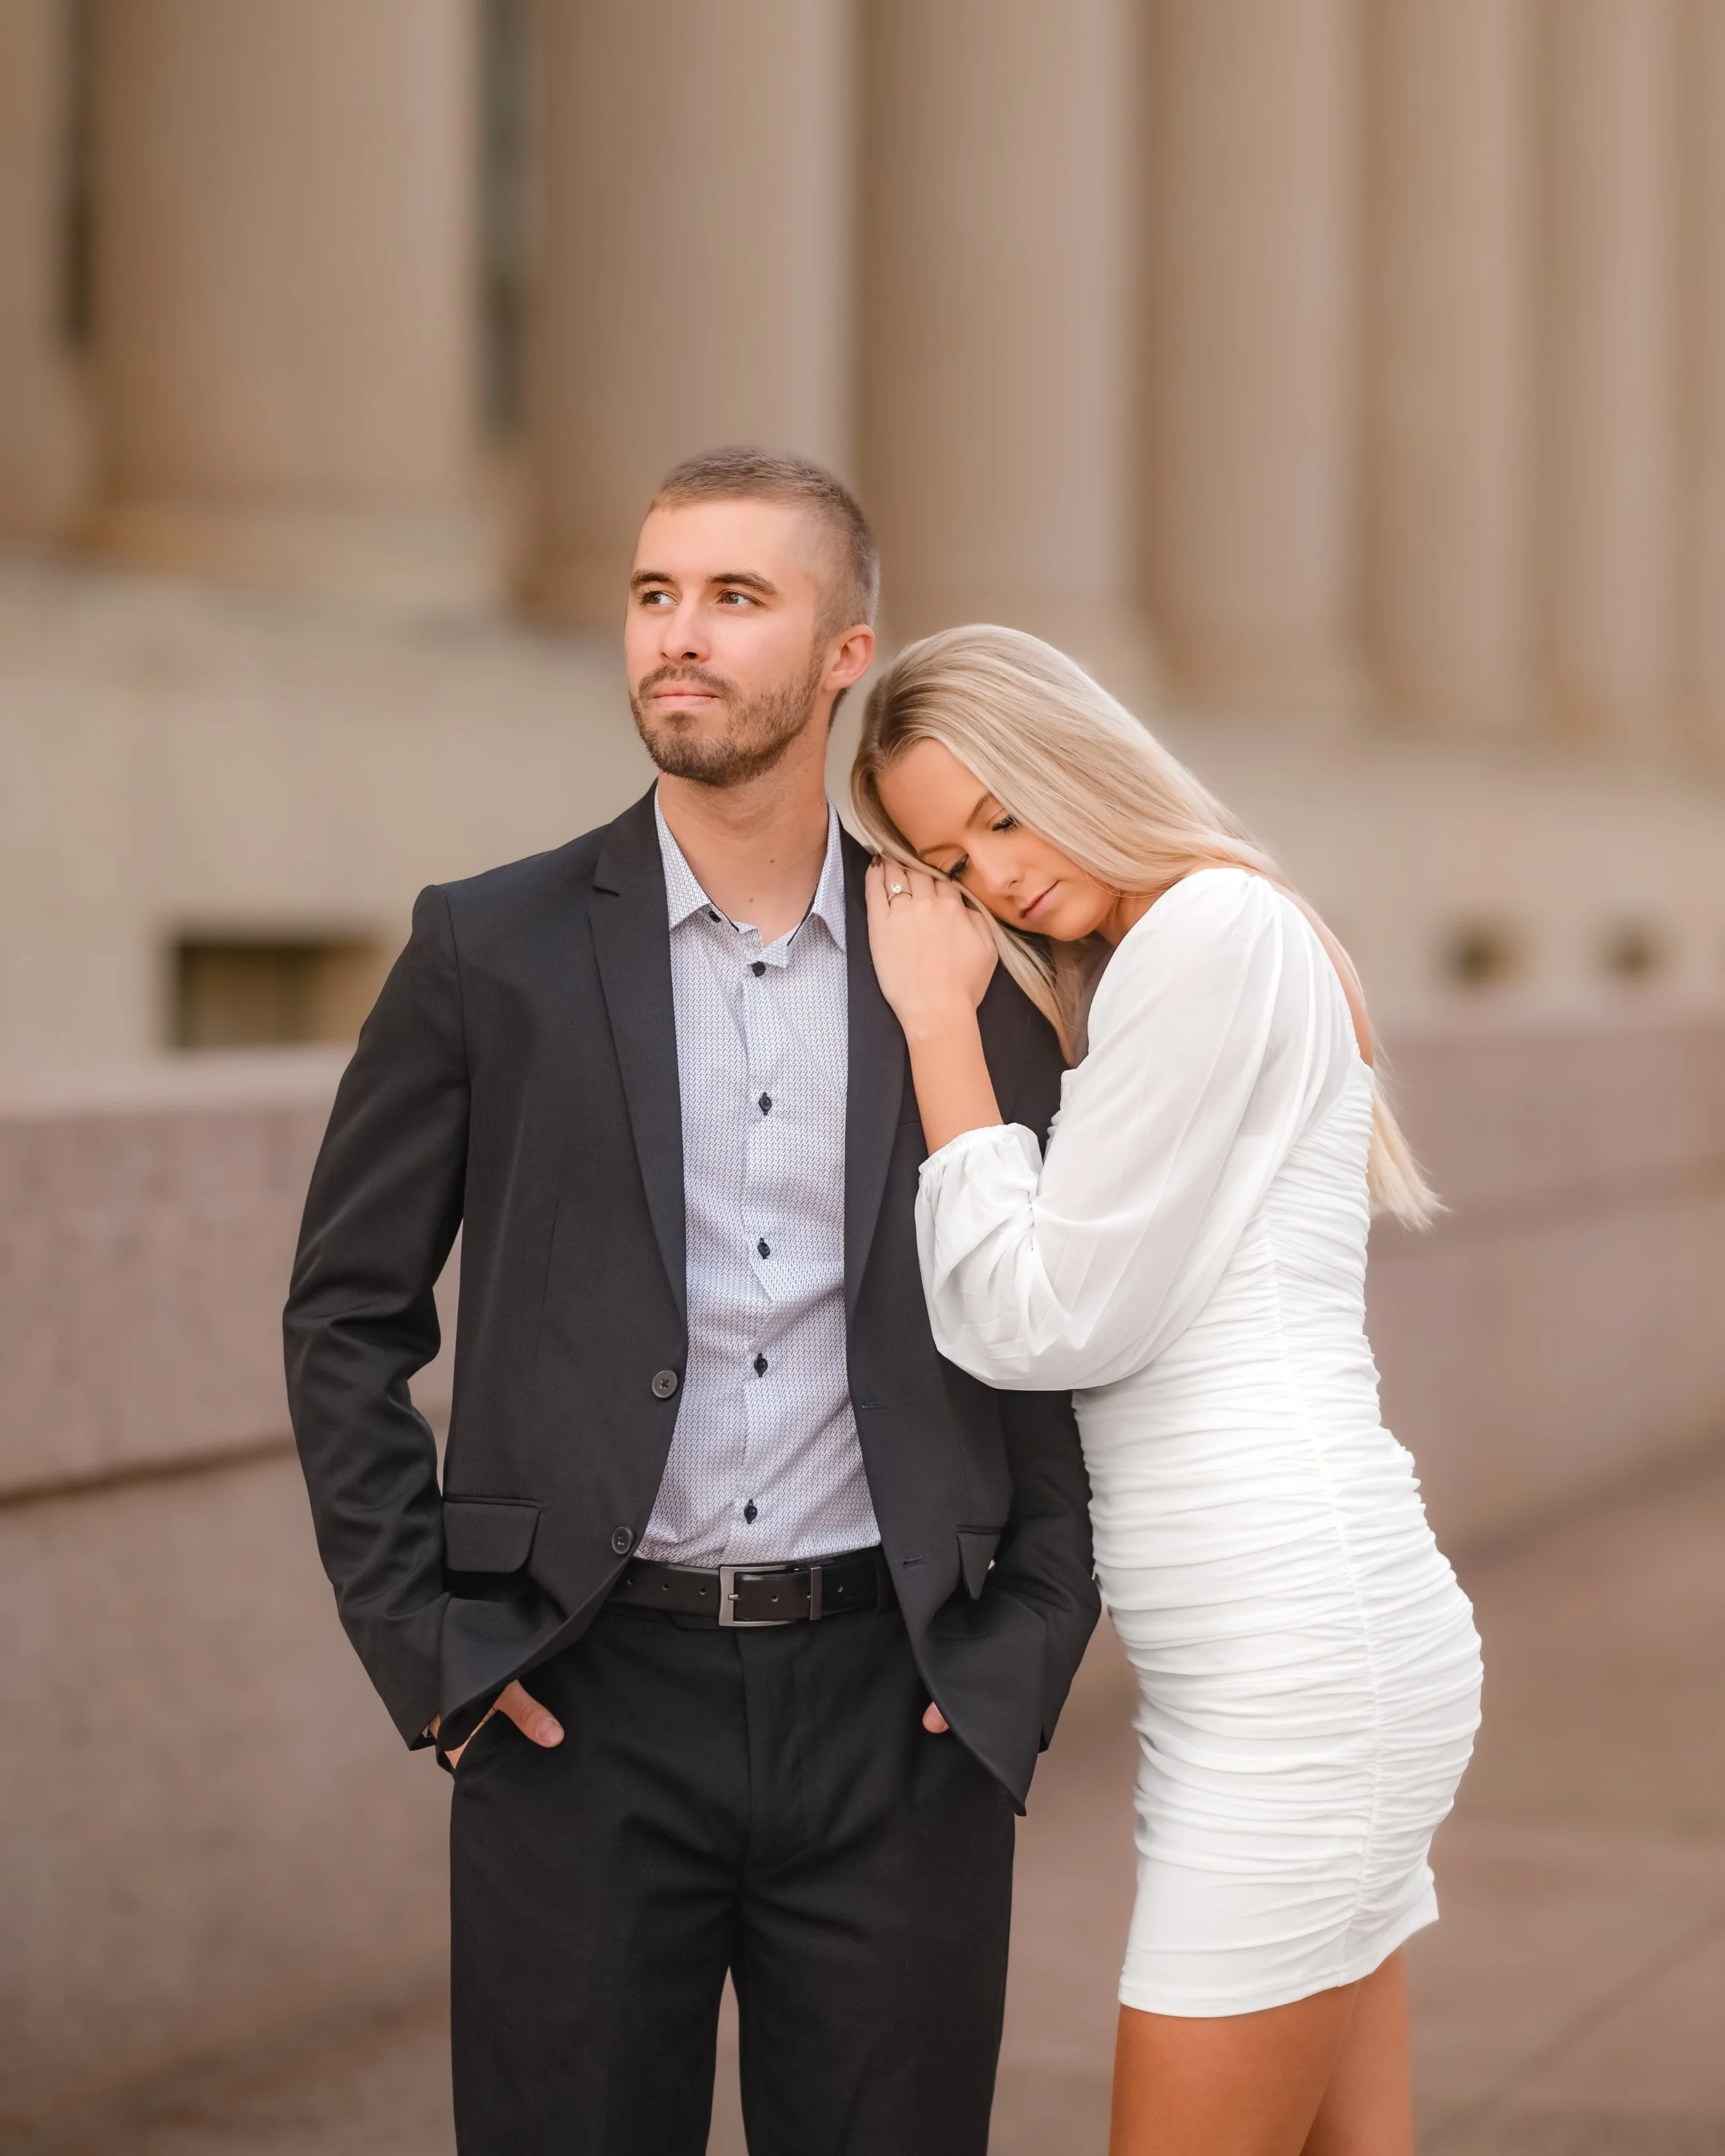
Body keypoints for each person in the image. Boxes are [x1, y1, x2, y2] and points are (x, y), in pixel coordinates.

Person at [282, 455, 1098, 2156]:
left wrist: (1022, 1633)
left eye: (738, 598)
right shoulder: (483, 948)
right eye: (656, 593)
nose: (679, 635)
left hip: (899, 1705)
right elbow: (346, 1314)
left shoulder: (967, 971)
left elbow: (1057, 1326)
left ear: (844, 649)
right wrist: (429, 1644)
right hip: (576, 1698)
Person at [854, 624, 1483, 2156]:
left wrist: (938, 1023)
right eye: (948, 855)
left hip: (1299, 1668)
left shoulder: (1208, 931)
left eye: (1003, 813)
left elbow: (1043, 1314)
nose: (993, 880)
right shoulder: (1180, 950)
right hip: (1283, 1659)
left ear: (1080, 755)